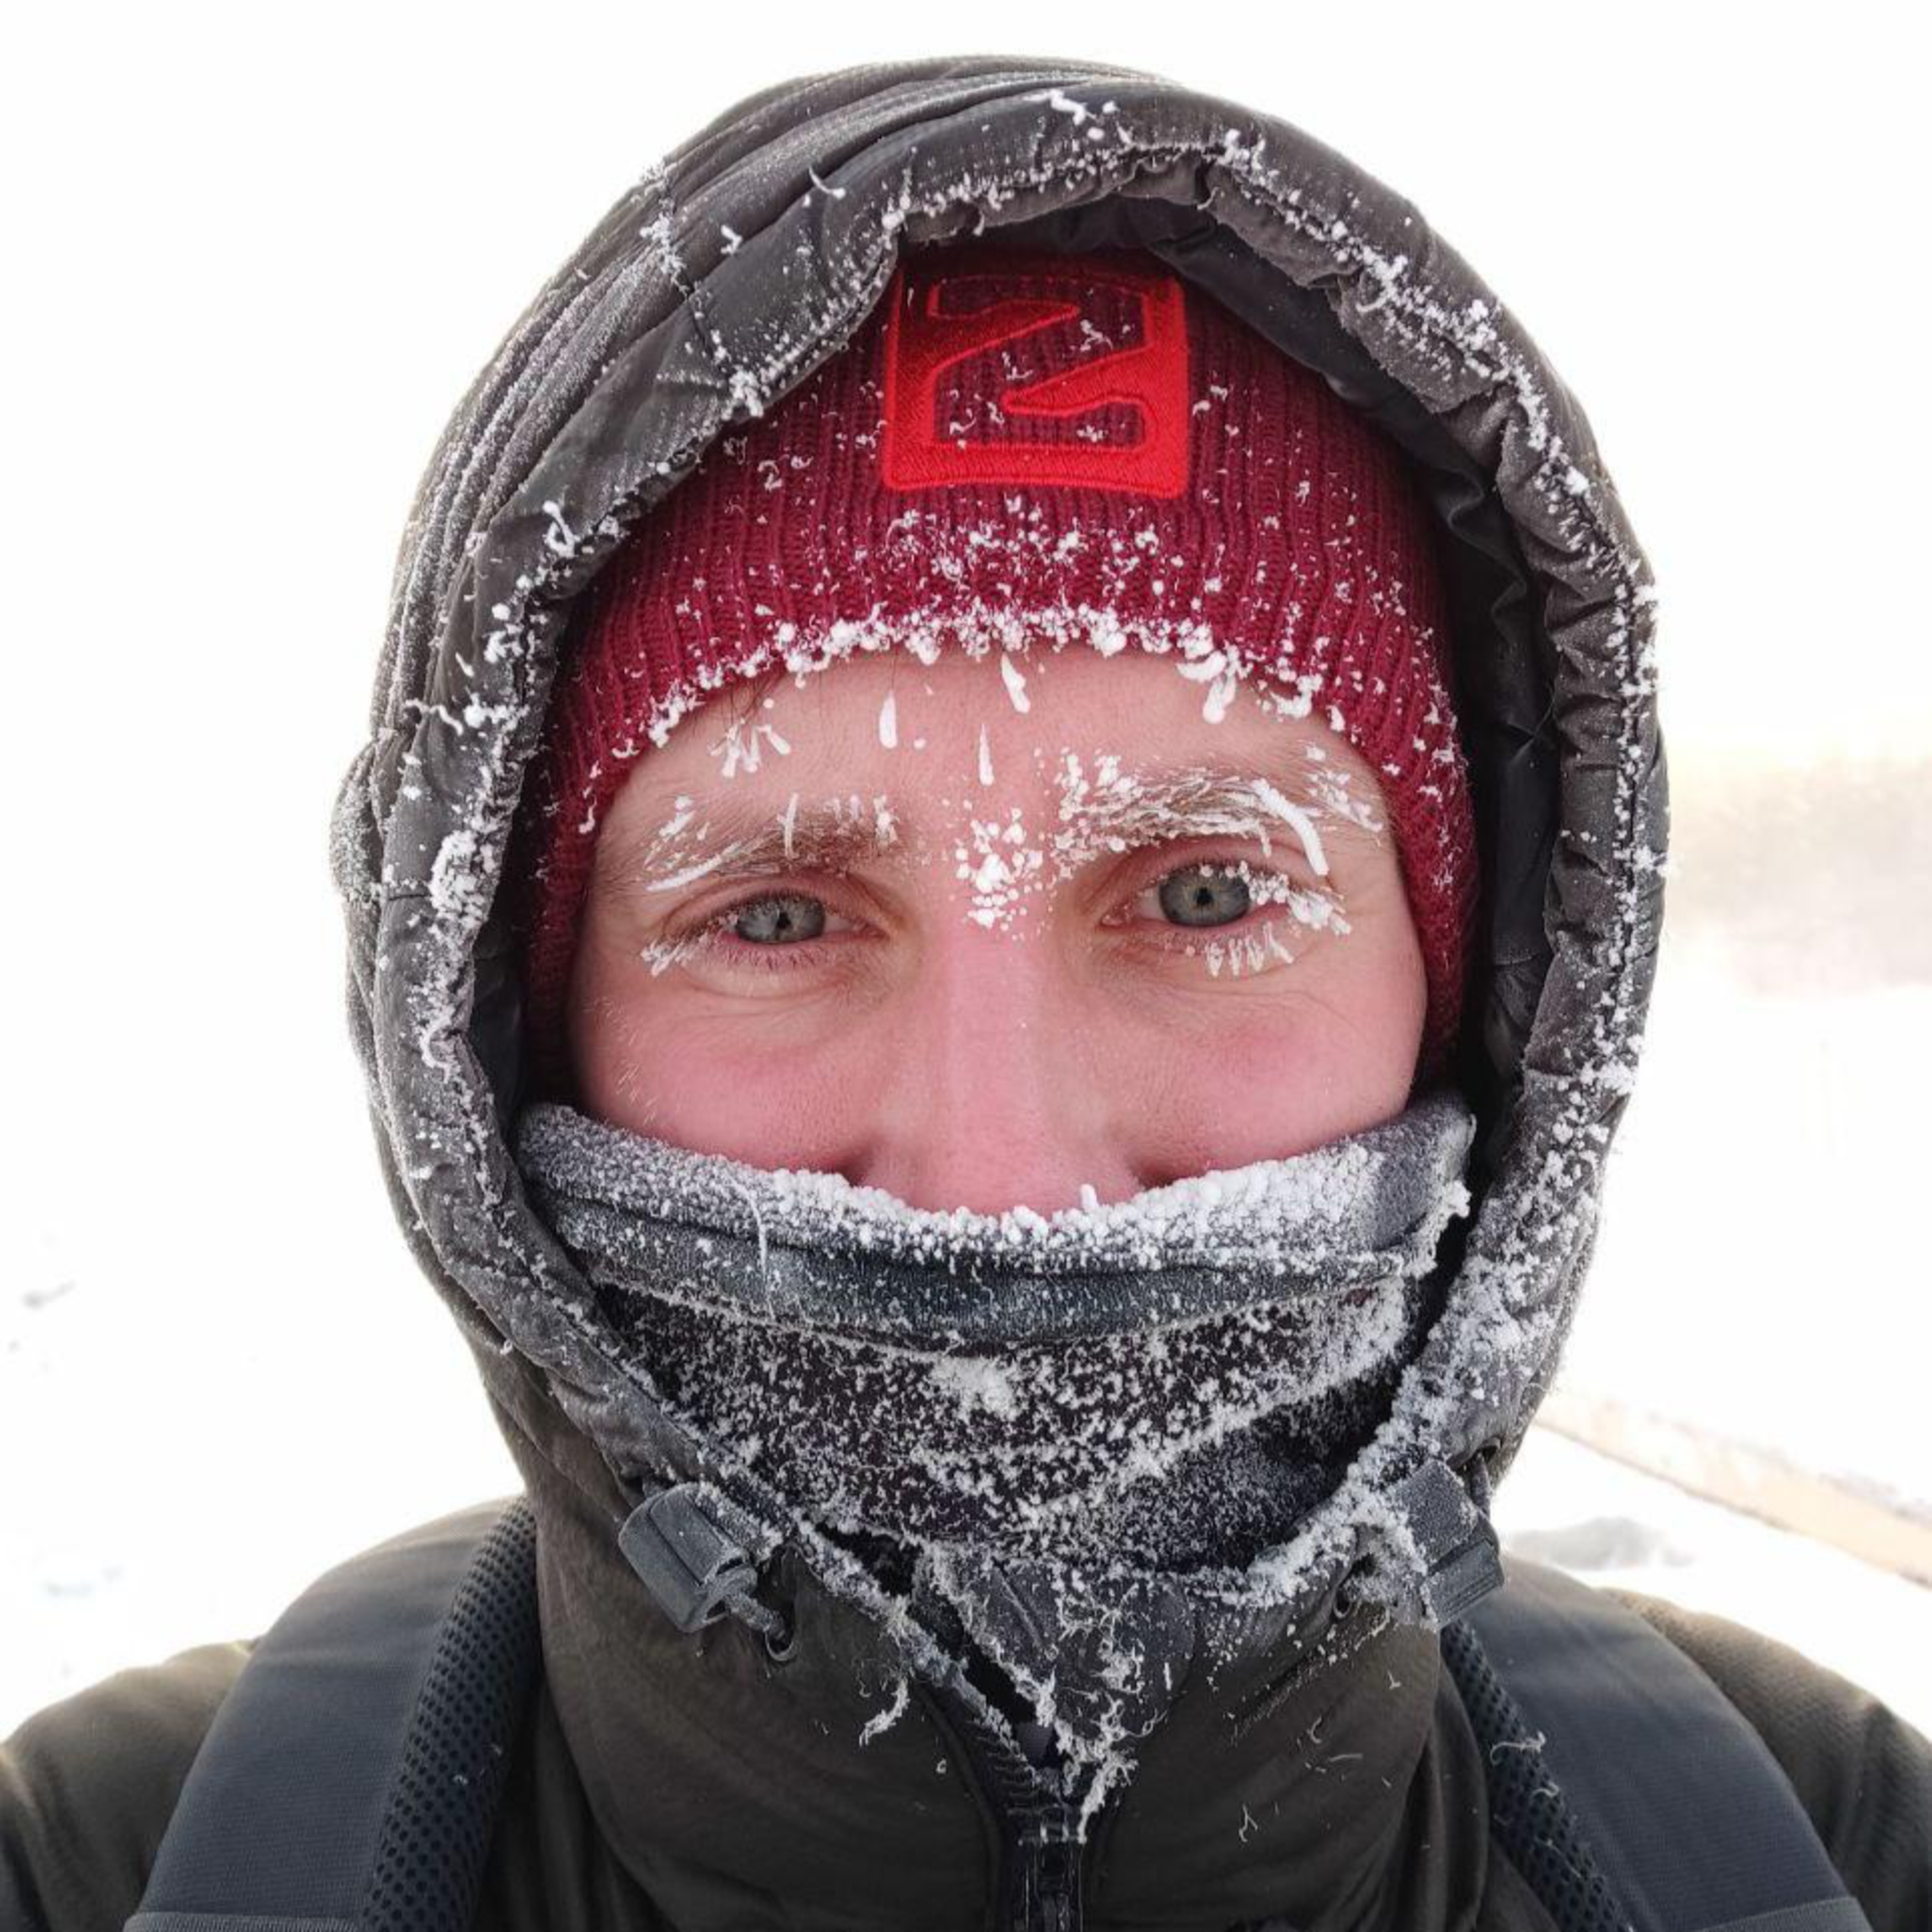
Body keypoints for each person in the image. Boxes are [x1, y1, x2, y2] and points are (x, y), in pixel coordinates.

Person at [5, 53, 1928, 1932]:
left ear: (1473, 1013)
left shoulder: (1843, 1845)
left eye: (1207, 893)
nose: (1004, 1184)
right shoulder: (98, 1870)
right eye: (776, 915)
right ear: (511, 1042)